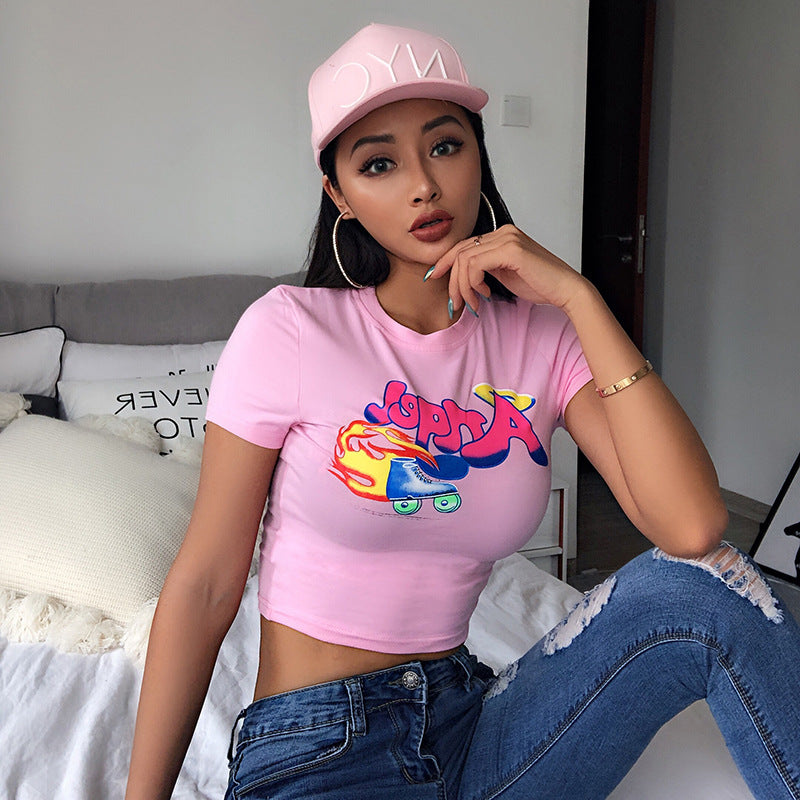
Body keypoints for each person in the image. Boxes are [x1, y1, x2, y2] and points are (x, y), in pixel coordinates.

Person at [125, 23, 800, 800]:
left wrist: (581, 298)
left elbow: (692, 527)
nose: (423, 184)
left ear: (478, 153)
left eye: (444, 146)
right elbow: (208, 583)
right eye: (379, 163)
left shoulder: (543, 336)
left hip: (471, 726)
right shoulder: (290, 330)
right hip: (322, 747)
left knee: (711, 587)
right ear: (339, 195)